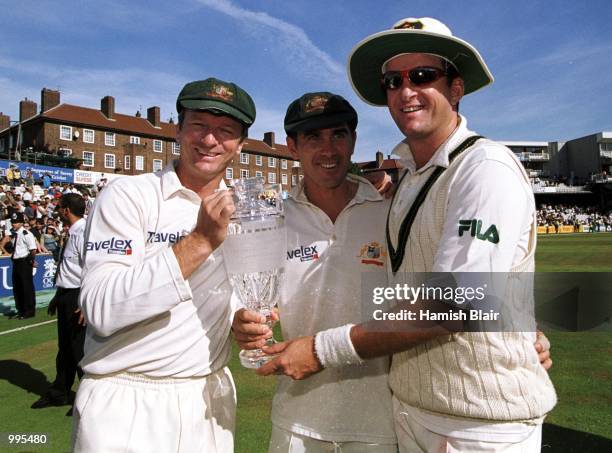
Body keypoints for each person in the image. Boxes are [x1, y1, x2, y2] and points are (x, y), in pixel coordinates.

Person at [257, 17, 557, 452]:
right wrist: (515, 320)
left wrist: (323, 349)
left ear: (456, 88)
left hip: (481, 426)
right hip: (413, 411)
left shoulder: (484, 167)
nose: (406, 90)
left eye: (422, 76)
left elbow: (458, 300)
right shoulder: (409, 182)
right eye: (393, 81)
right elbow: (401, 291)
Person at [72, 77, 256, 453]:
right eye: (199, 126)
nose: (209, 140)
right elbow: (102, 309)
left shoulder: (246, 210)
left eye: (225, 131)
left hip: (209, 396)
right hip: (126, 399)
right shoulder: (128, 195)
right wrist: (200, 241)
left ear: (240, 145)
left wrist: (239, 316)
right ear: (178, 129)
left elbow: (233, 291)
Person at [234, 93, 397, 451]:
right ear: (292, 146)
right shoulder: (271, 219)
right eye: (313, 137)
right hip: (298, 423)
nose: (329, 149)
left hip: (379, 425)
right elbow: (246, 297)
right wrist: (242, 321)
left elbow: (435, 298)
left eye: (338, 135)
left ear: (353, 141)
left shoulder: (391, 214)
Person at [31, 193, 87, 414]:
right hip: (67, 294)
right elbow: (70, 268)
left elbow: (91, 268)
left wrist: (84, 301)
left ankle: (87, 399)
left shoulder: (84, 233)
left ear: (66, 211)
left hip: (78, 296)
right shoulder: (73, 232)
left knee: (79, 350)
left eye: (60, 208)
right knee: (65, 349)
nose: (57, 211)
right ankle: (60, 393)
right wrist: (58, 295)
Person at [9, 211, 37, 319]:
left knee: (26, 287)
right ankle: (20, 309)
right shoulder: (15, 234)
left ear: (21, 222)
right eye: (12, 222)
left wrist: (31, 261)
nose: (13, 224)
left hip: (24, 262)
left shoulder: (27, 234)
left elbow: (33, 249)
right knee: (17, 287)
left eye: (16, 222)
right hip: (16, 262)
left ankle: (29, 311)